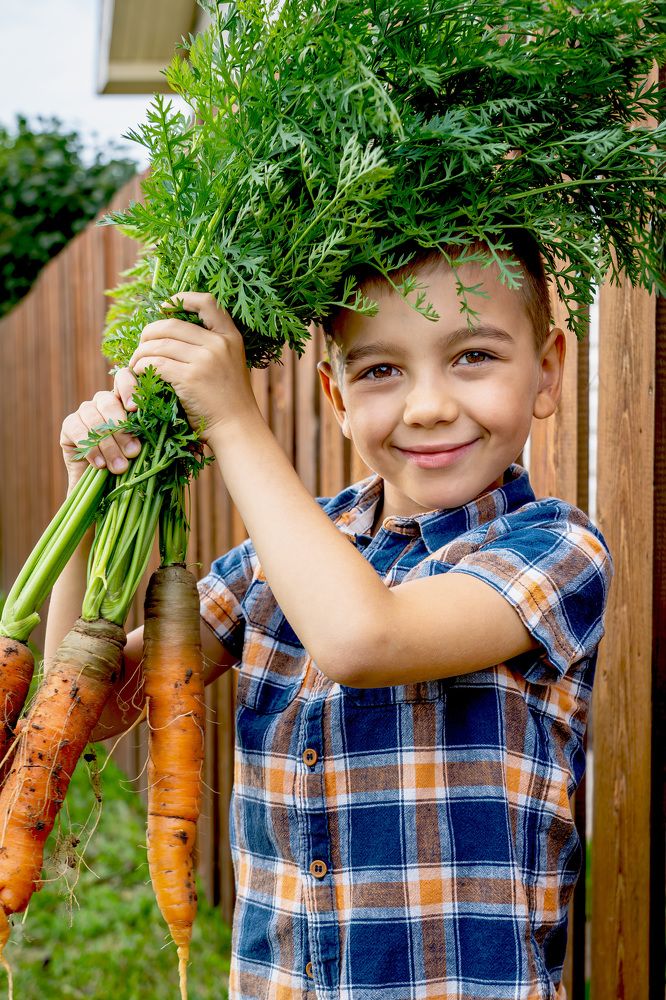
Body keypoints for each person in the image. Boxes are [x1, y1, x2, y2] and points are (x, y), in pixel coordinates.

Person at [46, 231, 613, 999]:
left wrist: (231, 419)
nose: (430, 404)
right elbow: (89, 703)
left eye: (473, 356)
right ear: (337, 398)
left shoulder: (554, 550)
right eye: (381, 370)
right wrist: (89, 501)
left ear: (547, 371)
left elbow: (363, 637)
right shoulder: (278, 558)